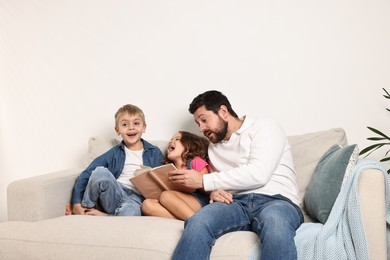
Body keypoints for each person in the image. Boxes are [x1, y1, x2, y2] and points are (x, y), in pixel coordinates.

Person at [169, 90, 303, 260]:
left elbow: (259, 173)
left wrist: (204, 181)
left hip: (276, 201)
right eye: (198, 123)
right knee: (199, 221)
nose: (201, 128)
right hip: (235, 204)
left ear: (223, 112)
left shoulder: (265, 126)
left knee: (275, 223)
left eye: (204, 120)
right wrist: (214, 192)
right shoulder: (213, 148)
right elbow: (219, 183)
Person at [65, 104, 163, 216]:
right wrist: (76, 202)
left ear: (144, 127)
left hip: (136, 200)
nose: (131, 128)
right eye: (125, 124)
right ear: (118, 130)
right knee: (100, 172)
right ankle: (85, 208)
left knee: (131, 211)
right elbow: (86, 174)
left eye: (136, 123)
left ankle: (105, 216)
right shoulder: (114, 153)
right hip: (114, 192)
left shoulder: (154, 152)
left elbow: (161, 180)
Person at [141, 131, 211, 220]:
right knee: (147, 205)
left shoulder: (195, 161)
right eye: (170, 140)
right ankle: (189, 218)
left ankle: (197, 223)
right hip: (176, 202)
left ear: (189, 146)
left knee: (166, 195)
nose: (171, 142)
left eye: (177, 139)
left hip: (198, 200)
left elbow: (207, 186)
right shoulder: (167, 169)